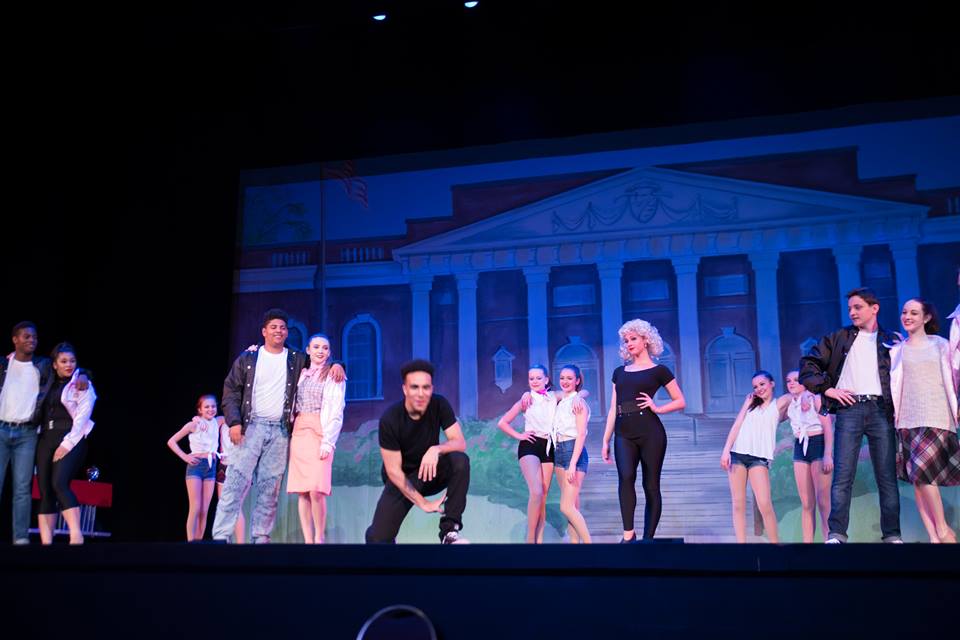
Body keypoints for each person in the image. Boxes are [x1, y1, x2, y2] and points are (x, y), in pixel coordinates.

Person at [211, 308, 344, 543]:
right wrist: (234, 422)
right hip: (251, 427)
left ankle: (261, 536)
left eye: (282, 327)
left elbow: (320, 360)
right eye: (273, 327)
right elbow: (231, 390)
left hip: (280, 431)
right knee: (235, 482)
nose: (278, 331)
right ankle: (221, 535)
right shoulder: (249, 358)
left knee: (269, 487)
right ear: (264, 331)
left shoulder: (295, 359)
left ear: (286, 332)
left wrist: (339, 364)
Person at [800, 287, 903, 543]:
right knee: (843, 476)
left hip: (881, 410)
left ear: (874, 308)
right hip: (849, 409)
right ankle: (836, 534)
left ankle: (892, 535)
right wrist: (828, 389)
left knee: (886, 477)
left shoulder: (891, 340)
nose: (852, 313)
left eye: (858, 307)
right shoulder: (839, 338)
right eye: (850, 309)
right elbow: (808, 365)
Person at [0, 321, 87, 545]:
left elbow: (69, 367)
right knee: (31, 487)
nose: (32, 340)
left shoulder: (42, 366)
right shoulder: (4, 364)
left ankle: (22, 537)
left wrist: (85, 374)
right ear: (15, 340)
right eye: (26, 336)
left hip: (29, 433)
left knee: (25, 488)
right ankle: (39, 541)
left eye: (34, 337)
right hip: (8, 431)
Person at [365, 359, 470, 544]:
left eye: (426, 387)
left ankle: (449, 532)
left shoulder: (439, 404)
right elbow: (393, 471)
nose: (421, 394)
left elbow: (460, 442)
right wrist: (423, 503)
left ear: (431, 388)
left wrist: (436, 449)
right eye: (414, 387)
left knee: (460, 460)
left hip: (431, 472)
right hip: (402, 479)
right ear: (405, 389)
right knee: (378, 538)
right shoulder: (391, 419)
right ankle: (379, 533)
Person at [601, 319, 686, 543]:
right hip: (623, 432)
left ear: (646, 340)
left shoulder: (659, 371)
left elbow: (680, 401)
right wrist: (606, 439)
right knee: (626, 478)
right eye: (626, 340)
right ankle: (628, 535)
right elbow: (613, 408)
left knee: (650, 485)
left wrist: (657, 408)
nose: (628, 343)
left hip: (651, 432)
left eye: (633, 339)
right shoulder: (619, 372)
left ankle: (648, 539)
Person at [890, 298, 959, 543]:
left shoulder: (941, 345)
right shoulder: (897, 351)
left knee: (922, 471)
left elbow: (956, 375)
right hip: (906, 420)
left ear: (926, 317)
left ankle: (943, 528)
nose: (907, 317)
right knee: (917, 479)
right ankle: (933, 538)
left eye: (914, 313)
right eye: (904, 312)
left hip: (937, 415)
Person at [286, 333, 346, 544]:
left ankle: (319, 537)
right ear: (308, 350)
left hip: (321, 431)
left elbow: (337, 410)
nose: (321, 351)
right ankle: (308, 540)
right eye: (316, 347)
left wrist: (328, 441)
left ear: (329, 352)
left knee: (316, 489)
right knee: (303, 491)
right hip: (300, 431)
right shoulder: (301, 373)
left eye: (325, 348)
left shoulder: (334, 374)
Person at [35, 342, 96, 545]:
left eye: (72, 361)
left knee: (59, 483)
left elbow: (81, 419)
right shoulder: (46, 383)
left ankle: (76, 536)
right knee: (45, 491)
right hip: (46, 437)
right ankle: (46, 543)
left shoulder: (82, 385)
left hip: (71, 437)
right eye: (63, 361)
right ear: (54, 364)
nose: (69, 365)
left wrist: (66, 444)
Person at [720, 371, 788, 543]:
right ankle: (741, 546)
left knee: (764, 504)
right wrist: (726, 450)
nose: (759, 389)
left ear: (772, 383)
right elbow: (736, 426)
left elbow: (795, 394)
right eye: (755, 386)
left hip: (759, 458)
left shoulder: (778, 404)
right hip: (738, 455)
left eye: (762, 384)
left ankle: (775, 545)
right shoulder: (750, 406)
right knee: (738, 504)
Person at [497, 365, 556, 543]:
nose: (535, 381)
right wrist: (519, 436)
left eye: (538, 378)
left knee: (543, 496)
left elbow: (580, 393)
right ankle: (530, 539)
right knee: (536, 491)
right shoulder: (526, 399)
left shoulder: (554, 397)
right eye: (531, 378)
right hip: (530, 444)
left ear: (546, 379)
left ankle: (539, 539)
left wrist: (579, 396)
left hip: (548, 446)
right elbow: (502, 422)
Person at [784, 370, 833, 543]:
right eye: (788, 380)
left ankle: (830, 542)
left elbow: (828, 427)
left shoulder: (816, 399)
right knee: (806, 504)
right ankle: (808, 546)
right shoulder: (791, 404)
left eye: (796, 380)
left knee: (824, 503)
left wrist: (828, 455)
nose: (791, 383)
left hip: (818, 443)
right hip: (800, 446)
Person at [166, 395, 223, 541]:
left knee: (204, 509)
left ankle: (198, 542)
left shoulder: (218, 421)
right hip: (196, 466)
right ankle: (191, 542)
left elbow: (233, 417)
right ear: (200, 410)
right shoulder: (193, 424)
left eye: (213, 406)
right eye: (206, 407)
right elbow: (171, 441)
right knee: (195, 507)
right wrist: (184, 456)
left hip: (211, 466)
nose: (210, 409)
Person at [551, 364, 591, 544]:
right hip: (559, 450)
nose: (565, 381)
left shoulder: (578, 402)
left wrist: (573, 464)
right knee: (572, 505)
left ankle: (590, 545)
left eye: (569, 378)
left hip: (573, 450)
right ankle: (575, 545)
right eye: (562, 378)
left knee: (566, 506)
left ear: (577, 380)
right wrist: (525, 395)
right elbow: (543, 395)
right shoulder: (562, 400)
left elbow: (581, 434)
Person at [216, 419, 245, 543]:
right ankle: (225, 542)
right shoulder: (221, 420)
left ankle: (240, 545)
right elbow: (206, 423)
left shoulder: (245, 420)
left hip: (239, 466)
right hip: (223, 466)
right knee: (223, 507)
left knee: (235, 506)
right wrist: (197, 419)